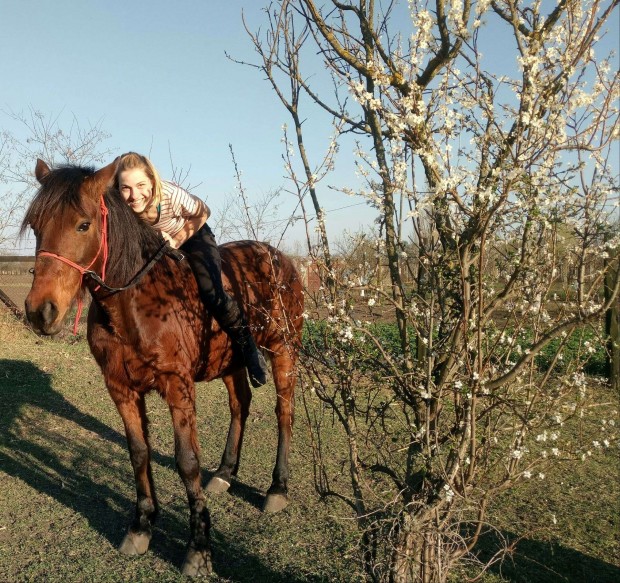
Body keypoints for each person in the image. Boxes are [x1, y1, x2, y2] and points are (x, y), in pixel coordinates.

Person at [113, 152, 268, 388]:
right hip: (160, 245)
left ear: (152, 181)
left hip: (194, 235)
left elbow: (203, 211)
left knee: (211, 292)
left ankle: (250, 350)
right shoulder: (122, 206)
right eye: (126, 188)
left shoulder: (170, 195)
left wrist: (176, 239)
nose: (134, 195)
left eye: (140, 185)